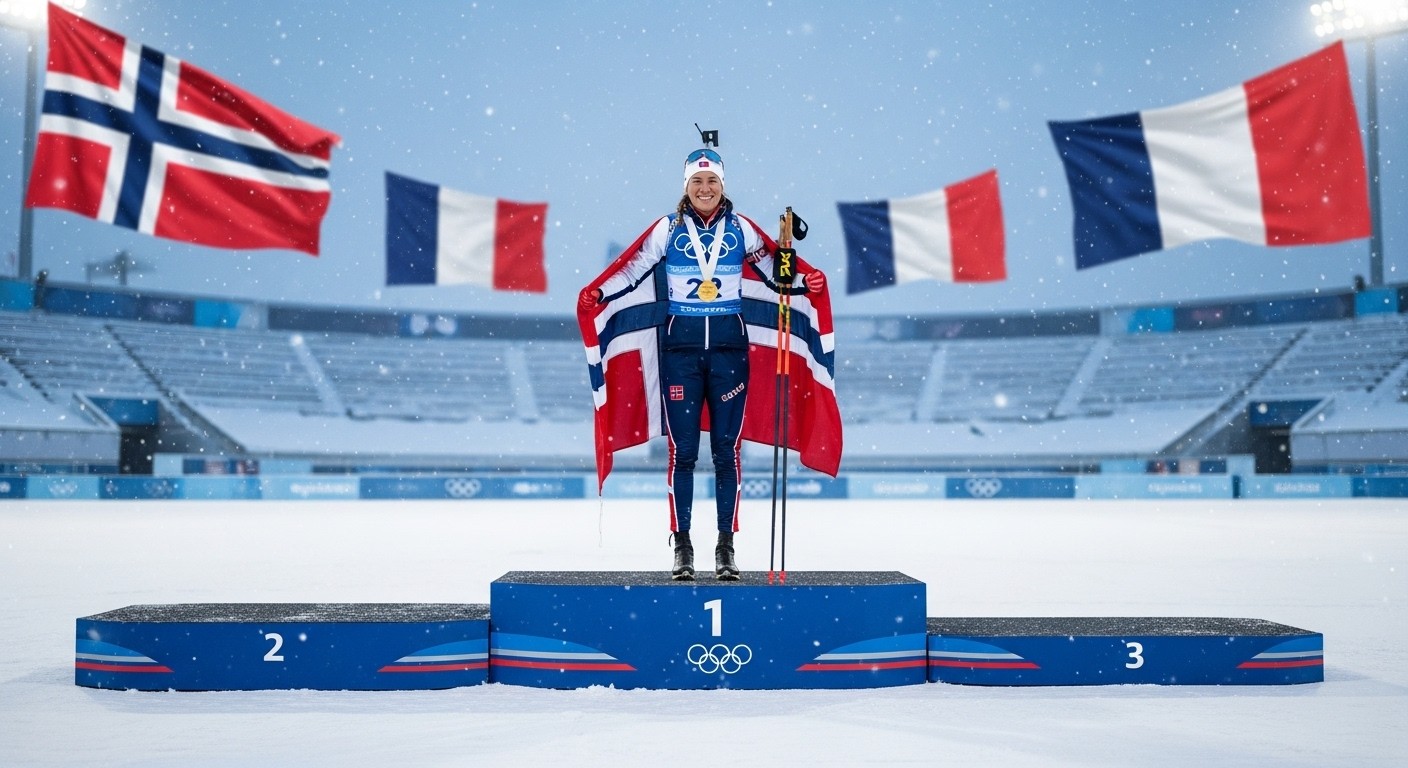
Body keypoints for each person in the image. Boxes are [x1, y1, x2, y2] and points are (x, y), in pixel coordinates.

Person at [579, 147, 823, 581]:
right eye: (697, 182)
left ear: (722, 186)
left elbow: (775, 272)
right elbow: (632, 267)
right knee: (684, 454)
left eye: (712, 182)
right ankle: (683, 546)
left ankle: (726, 547)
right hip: (681, 354)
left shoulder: (741, 228)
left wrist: (804, 277)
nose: (705, 189)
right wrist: (600, 293)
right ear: (686, 186)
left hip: (730, 353)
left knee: (727, 453)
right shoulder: (667, 229)